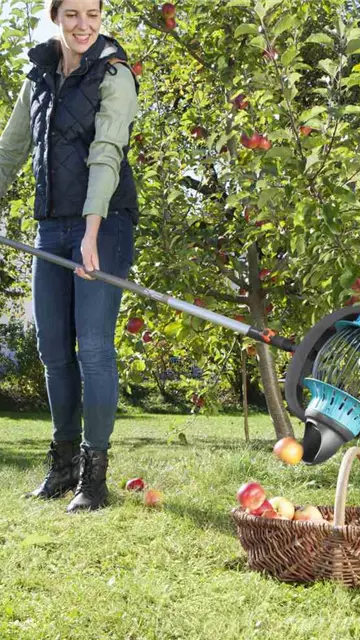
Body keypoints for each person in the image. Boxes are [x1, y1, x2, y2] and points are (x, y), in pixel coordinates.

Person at [0, 0, 140, 511]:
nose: (84, 25)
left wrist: (91, 230)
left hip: (103, 225)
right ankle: (62, 466)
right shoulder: (37, 75)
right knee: (53, 349)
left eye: (93, 15)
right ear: (54, 16)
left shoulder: (115, 74)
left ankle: (94, 477)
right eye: (73, 14)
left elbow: (107, 152)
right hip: (50, 226)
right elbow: (11, 149)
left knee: (95, 350)